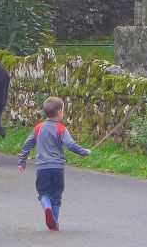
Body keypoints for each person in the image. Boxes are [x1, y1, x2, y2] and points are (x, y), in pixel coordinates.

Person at [17, 96, 90, 231]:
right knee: (56, 196)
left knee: (43, 193)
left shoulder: (38, 127)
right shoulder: (61, 128)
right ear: (59, 113)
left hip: (42, 168)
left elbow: (28, 144)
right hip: (57, 168)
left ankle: (46, 206)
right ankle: (54, 222)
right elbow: (70, 144)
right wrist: (84, 152)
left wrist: (22, 161)